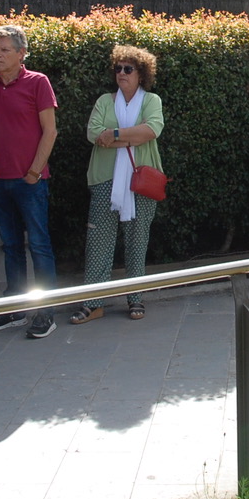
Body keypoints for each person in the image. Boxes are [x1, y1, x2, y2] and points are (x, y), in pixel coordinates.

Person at [71, 46, 165, 323]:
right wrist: (131, 137)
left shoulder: (151, 101)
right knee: (98, 241)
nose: (121, 73)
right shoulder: (104, 101)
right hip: (105, 180)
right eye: (118, 68)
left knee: (138, 241)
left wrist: (113, 134)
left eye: (128, 69)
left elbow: (152, 130)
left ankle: (135, 298)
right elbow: (92, 133)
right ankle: (93, 302)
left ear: (141, 74)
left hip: (140, 182)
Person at [0, 24, 59, 339]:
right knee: (10, 247)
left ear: (21, 53)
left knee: (39, 246)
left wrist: (34, 172)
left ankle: (46, 312)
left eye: (4, 50)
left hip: (30, 183)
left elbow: (50, 131)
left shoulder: (38, 83)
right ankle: (15, 310)